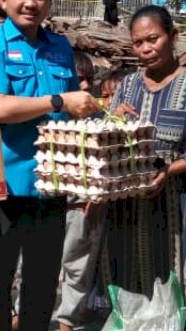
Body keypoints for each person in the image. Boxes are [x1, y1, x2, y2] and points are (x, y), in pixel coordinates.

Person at [0, 0, 100, 331]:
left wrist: (104, 114)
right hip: (5, 184)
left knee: (42, 287)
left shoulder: (60, 47)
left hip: (53, 185)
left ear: (50, 0)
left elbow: (73, 112)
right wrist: (59, 101)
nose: (31, 3)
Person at [105, 5, 186, 331]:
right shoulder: (127, 86)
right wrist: (113, 120)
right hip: (129, 210)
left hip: (180, 206)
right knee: (133, 288)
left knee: (182, 285)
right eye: (138, 42)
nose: (146, 49)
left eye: (153, 39)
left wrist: (171, 171)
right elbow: (104, 143)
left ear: (172, 36)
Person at [55, 52, 112, 331]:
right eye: (80, 80)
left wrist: (97, 194)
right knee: (36, 264)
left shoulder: (100, 118)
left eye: (90, 79)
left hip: (83, 204)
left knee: (78, 265)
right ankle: (21, 312)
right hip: (53, 202)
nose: (87, 86)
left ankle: (67, 320)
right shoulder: (52, 117)